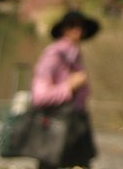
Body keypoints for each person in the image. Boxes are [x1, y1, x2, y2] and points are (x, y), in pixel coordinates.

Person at [30, 9, 100, 169]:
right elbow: (39, 96)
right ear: (64, 29)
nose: (78, 30)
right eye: (72, 25)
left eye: (81, 26)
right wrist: (69, 86)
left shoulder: (74, 55)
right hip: (55, 133)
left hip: (74, 131)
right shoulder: (54, 55)